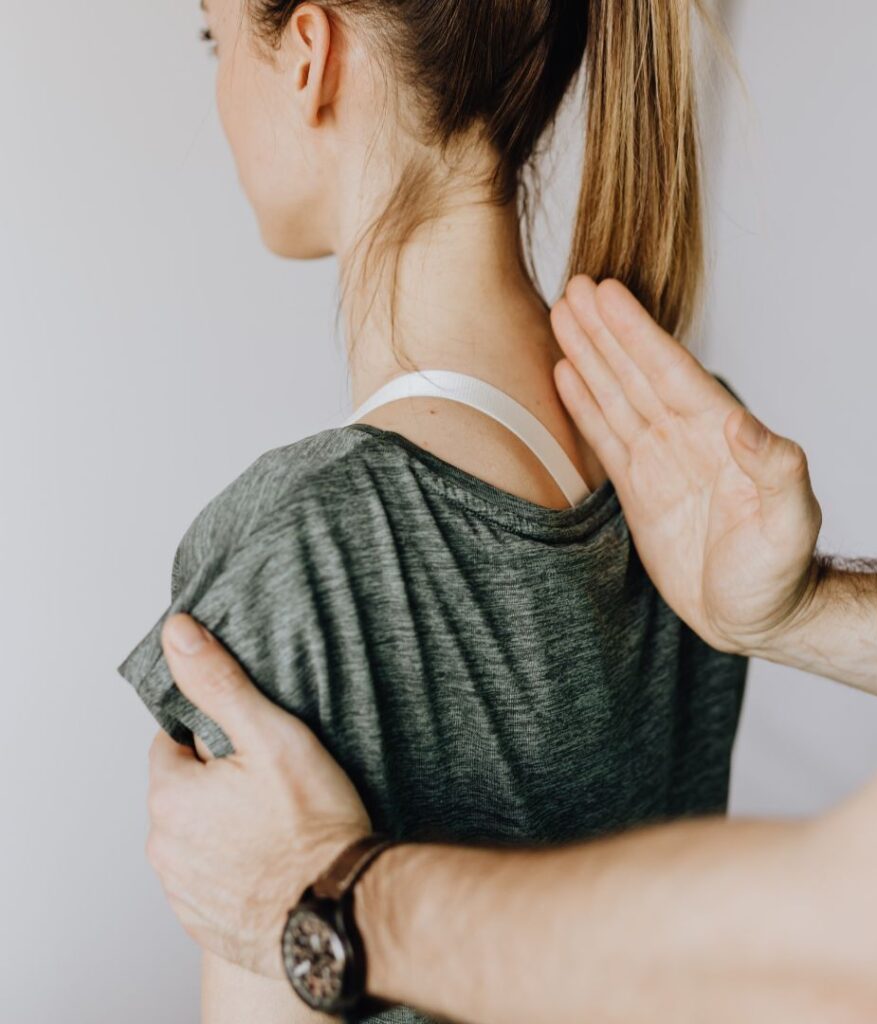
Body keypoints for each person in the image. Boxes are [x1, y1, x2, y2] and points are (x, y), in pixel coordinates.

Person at [145, 277, 877, 1023]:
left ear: (310, 66)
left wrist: (329, 895)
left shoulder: (298, 547)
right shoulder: (655, 471)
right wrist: (801, 609)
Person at [118, 2, 754, 1020]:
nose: (215, 82)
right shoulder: (688, 468)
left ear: (310, 57)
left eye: (214, 37)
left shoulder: (304, 552)